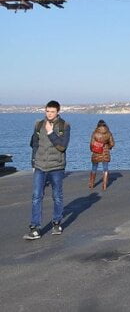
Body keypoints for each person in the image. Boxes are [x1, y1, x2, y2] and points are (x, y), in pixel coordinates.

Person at [25, 100, 71, 240]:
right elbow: (34, 144)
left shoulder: (64, 126)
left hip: (56, 167)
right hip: (40, 166)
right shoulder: (38, 125)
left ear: (58, 112)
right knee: (36, 197)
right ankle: (35, 228)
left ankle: (56, 223)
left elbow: (62, 147)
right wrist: (33, 163)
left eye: (52, 111)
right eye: (47, 111)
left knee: (57, 196)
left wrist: (51, 132)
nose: (49, 114)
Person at [89, 120, 115, 191]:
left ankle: (91, 184)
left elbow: (91, 144)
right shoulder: (109, 133)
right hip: (105, 152)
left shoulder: (95, 133)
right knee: (105, 168)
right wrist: (108, 147)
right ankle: (104, 185)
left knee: (94, 167)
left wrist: (92, 149)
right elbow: (112, 143)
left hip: (96, 152)